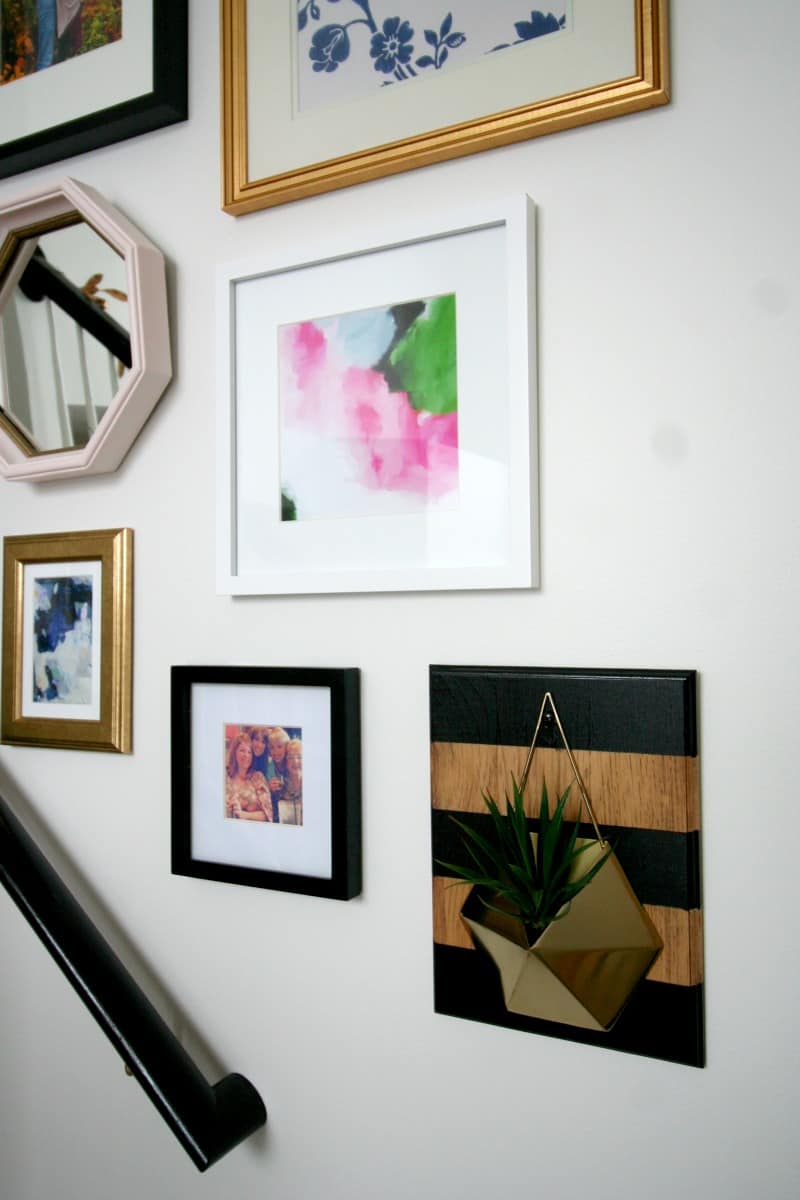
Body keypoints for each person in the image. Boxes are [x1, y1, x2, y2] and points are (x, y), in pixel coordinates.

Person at [225, 731, 272, 821]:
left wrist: (243, 814)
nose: (246, 755)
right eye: (242, 750)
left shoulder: (258, 778)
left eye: (249, 752)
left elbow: (267, 815)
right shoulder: (225, 775)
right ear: (234, 753)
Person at [265, 727, 290, 821]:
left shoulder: (291, 764)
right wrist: (268, 788)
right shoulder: (268, 767)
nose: (275, 752)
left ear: (286, 747)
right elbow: (265, 796)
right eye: (272, 748)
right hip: (276, 812)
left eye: (279, 747)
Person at [278, 738, 303, 825]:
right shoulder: (280, 786)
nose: (295, 761)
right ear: (286, 761)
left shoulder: (313, 785)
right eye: (290, 757)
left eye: (299, 757)